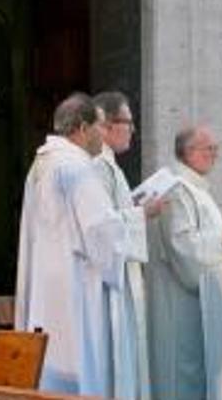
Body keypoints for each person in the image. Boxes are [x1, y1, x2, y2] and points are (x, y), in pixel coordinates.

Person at [14, 93, 142, 395]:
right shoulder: (77, 167)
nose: (104, 134)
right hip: (76, 285)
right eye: (100, 126)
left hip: (48, 283)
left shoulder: (42, 163)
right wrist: (132, 220)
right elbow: (100, 232)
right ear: (83, 128)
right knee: (80, 365)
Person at [145, 126, 222, 399]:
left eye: (216, 149)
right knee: (181, 373)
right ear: (189, 152)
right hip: (179, 302)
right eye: (209, 149)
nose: (215, 155)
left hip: (197, 301)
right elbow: (183, 247)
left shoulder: (196, 189)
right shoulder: (176, 189)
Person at [90, 91, 164, 398]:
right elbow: (100, 228)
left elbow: (112, 212)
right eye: (128, 122)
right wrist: (141, 213)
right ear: (106, 125)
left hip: (124, 274)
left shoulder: (111, 167)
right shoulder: (97, 166)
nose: (133, 129)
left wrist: (132, 205)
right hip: (110, 282)